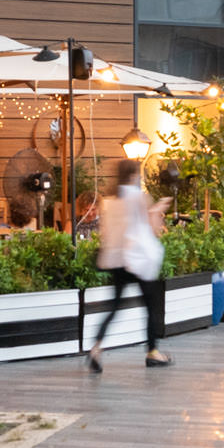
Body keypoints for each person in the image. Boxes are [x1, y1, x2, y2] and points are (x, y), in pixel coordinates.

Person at [88, 159, 169, 372]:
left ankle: (96, 347)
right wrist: (159, 209)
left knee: (114, 306)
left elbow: (106, 232)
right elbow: (153, 228)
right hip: (138, 260)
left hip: (116, 260)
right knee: (152, 306)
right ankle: (153, 352)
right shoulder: (139, 197)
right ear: (134, 175)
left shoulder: (110, 202)